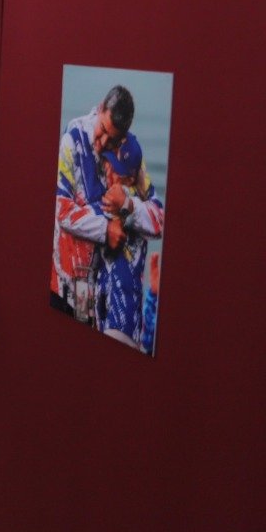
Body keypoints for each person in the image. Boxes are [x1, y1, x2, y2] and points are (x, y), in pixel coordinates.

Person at [53, 85, 165, 351]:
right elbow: (60, 208)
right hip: (70, 281)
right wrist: (106, 229)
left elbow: (158, 216)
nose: (103, 143)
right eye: (102, 131)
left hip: (106, 306)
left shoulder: (128, 152)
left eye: (112, 141)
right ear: (99, 109)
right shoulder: (72, 139)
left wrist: (128, 204)